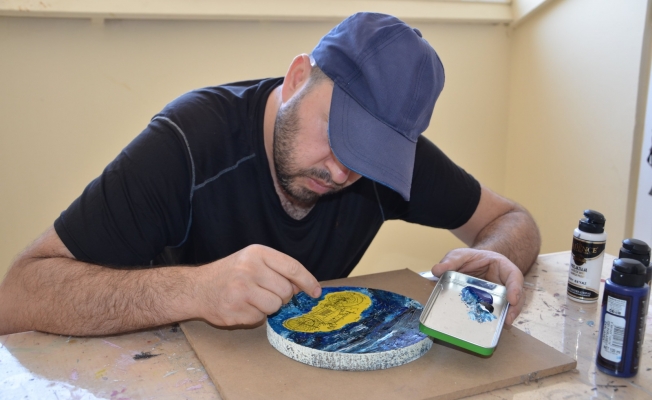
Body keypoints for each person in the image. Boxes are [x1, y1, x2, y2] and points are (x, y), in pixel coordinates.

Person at [0, 12, 540, 336]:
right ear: (298, 77)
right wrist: (192, 291)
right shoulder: (188, 142)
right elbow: (18, 295)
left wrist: (496, 258)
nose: (343, 169)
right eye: (339, 134)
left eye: (370, 157)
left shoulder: (386, 167)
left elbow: (512, 219)